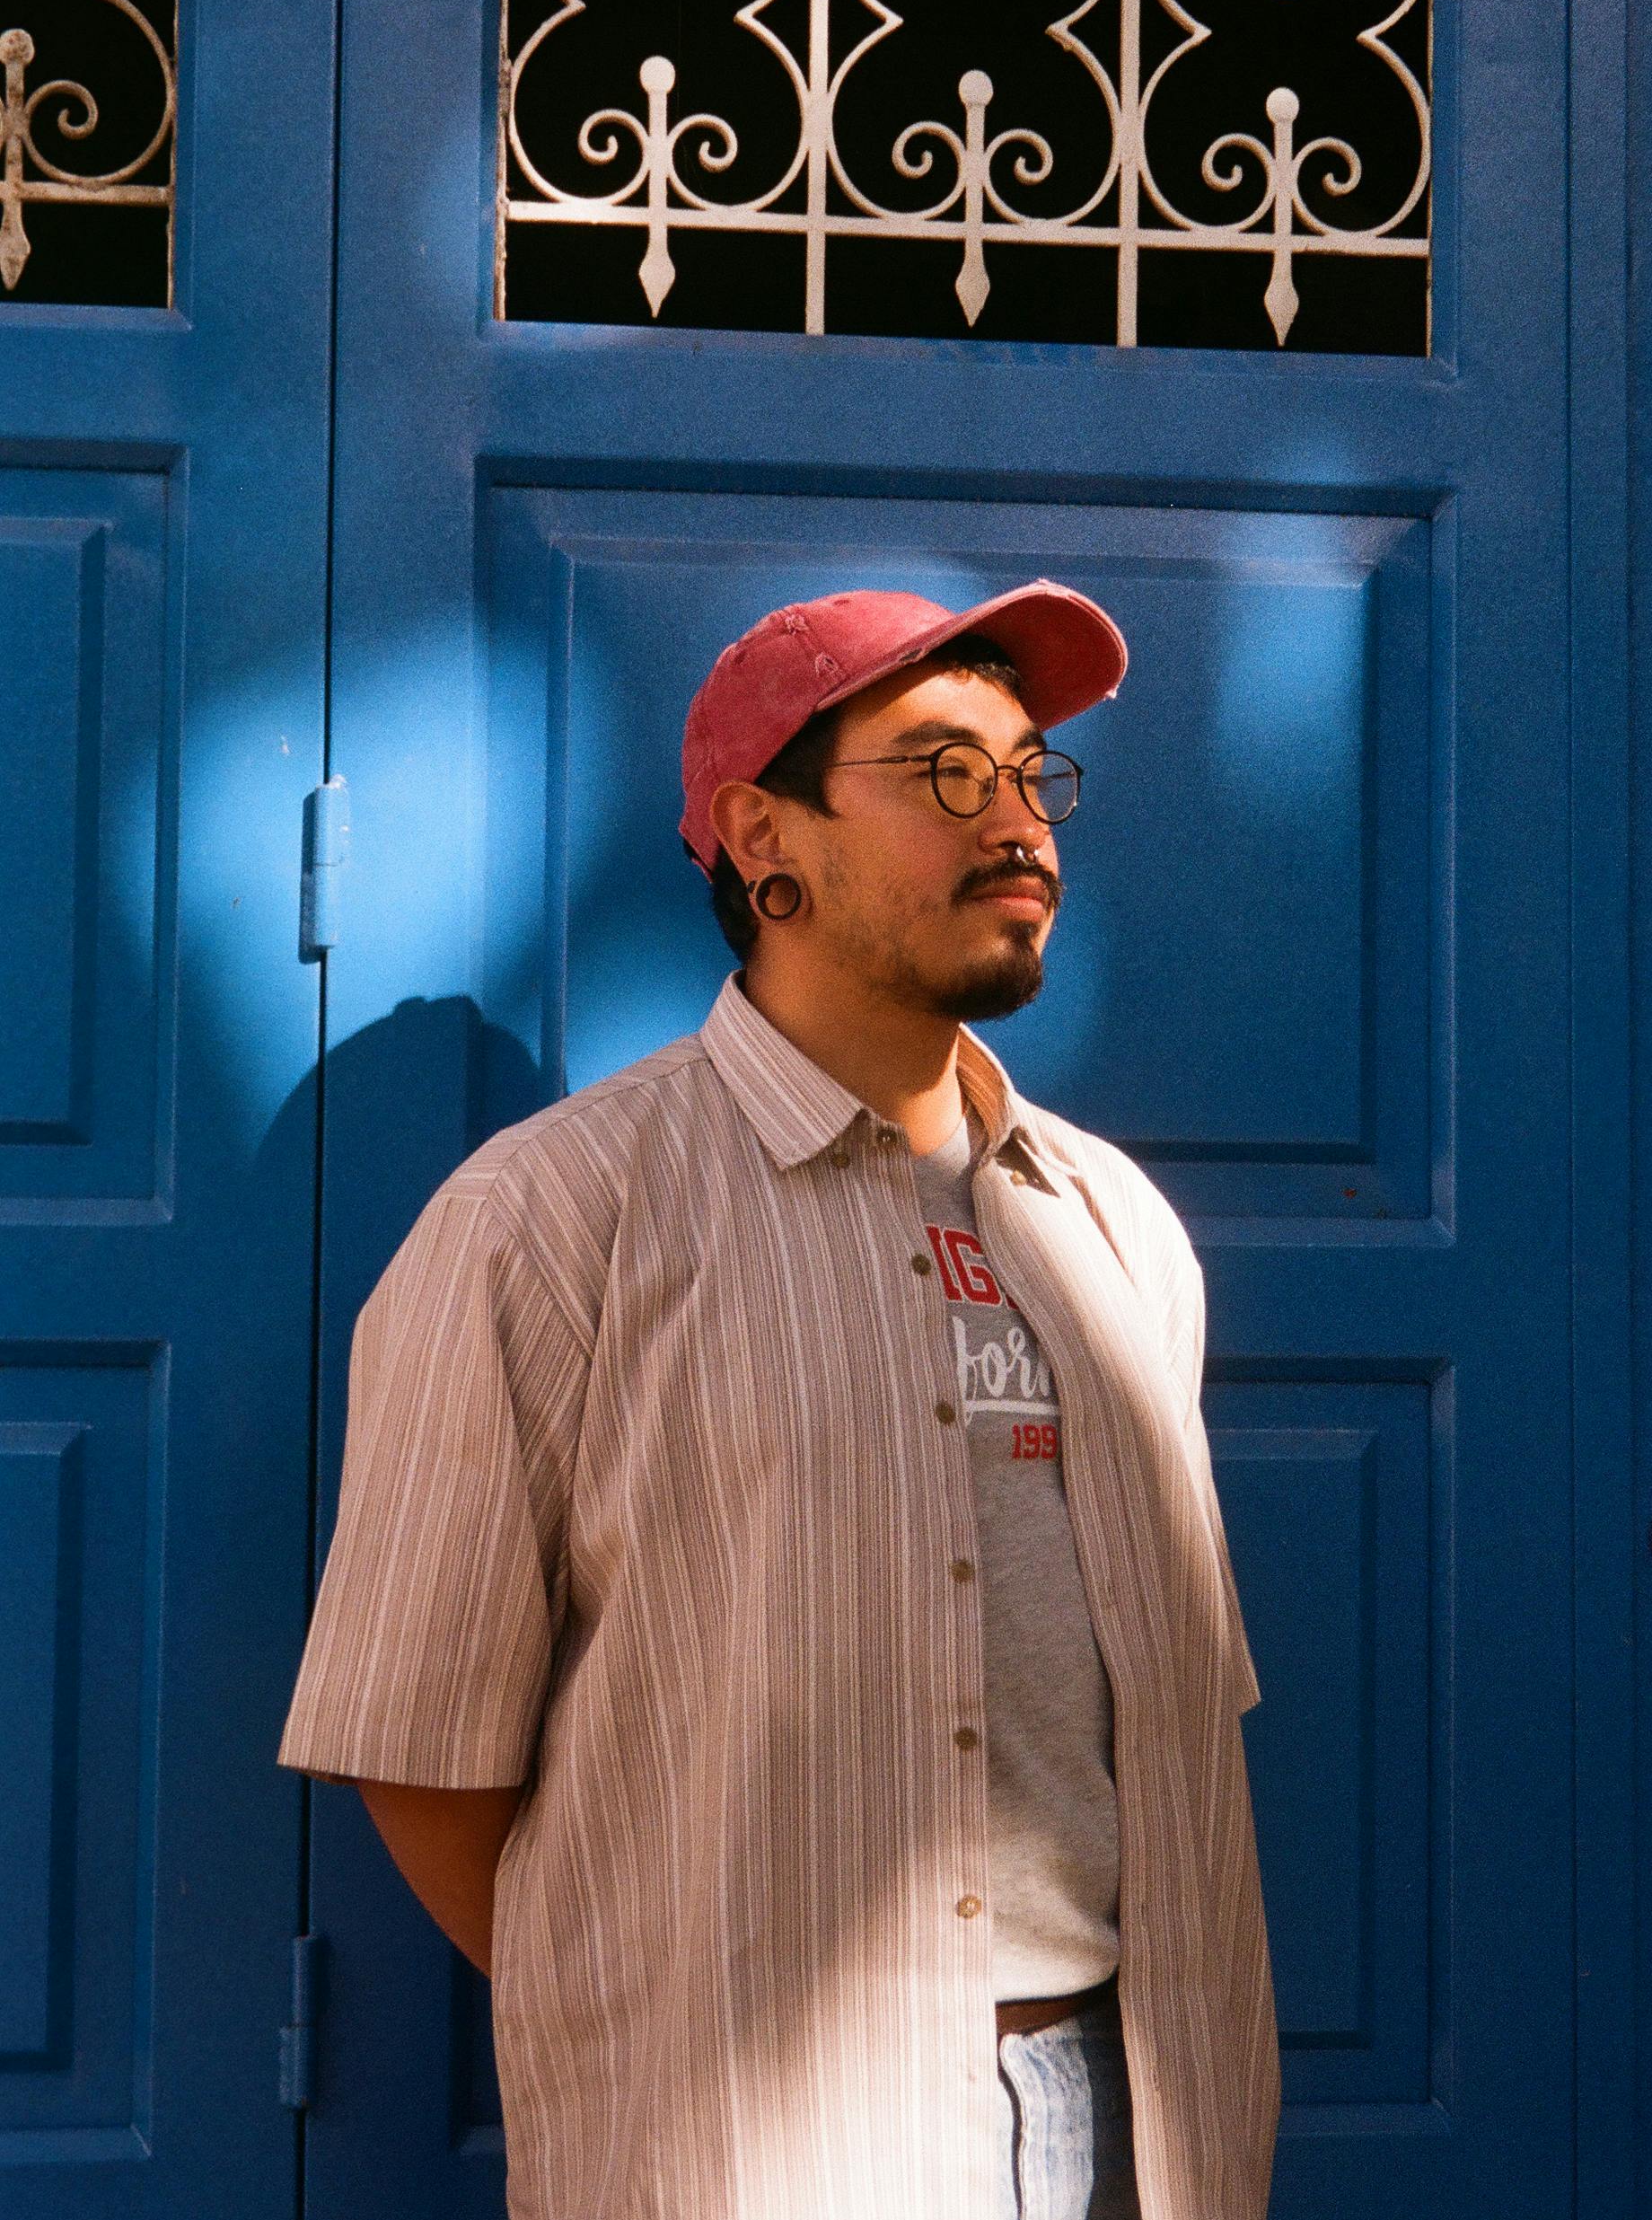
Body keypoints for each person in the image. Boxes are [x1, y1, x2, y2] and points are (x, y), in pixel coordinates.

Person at [280, 579, 1278, 2220]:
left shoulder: (1117, 1228)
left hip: (1132, 2121)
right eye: (946, 770)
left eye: (1032, 774)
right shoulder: (547, 1224)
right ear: (762, 836)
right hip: (762, 2153)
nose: (1020, 823)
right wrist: (672, 2012)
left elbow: (1174, 1720)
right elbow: (424, 1754)